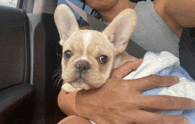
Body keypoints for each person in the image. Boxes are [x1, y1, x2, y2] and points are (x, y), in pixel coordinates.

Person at [58, 0, 195, 123]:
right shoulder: (81, 33)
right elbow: (65, 94)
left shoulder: (161, 8)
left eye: (102, 58)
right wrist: (93, 102)